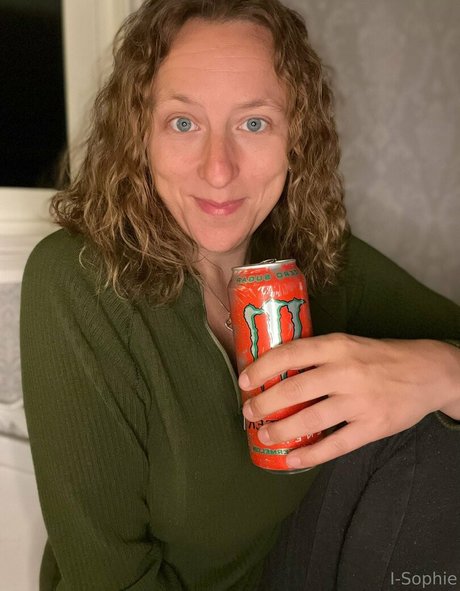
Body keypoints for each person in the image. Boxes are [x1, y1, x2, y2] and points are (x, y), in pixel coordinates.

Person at [20, 0, 460, 589]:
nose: (219, 170)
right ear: (138, 134)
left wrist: (443, 372)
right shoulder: (77, 281)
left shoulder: (315, 257)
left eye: (254, 123)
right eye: (184, 123)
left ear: (296, 136)